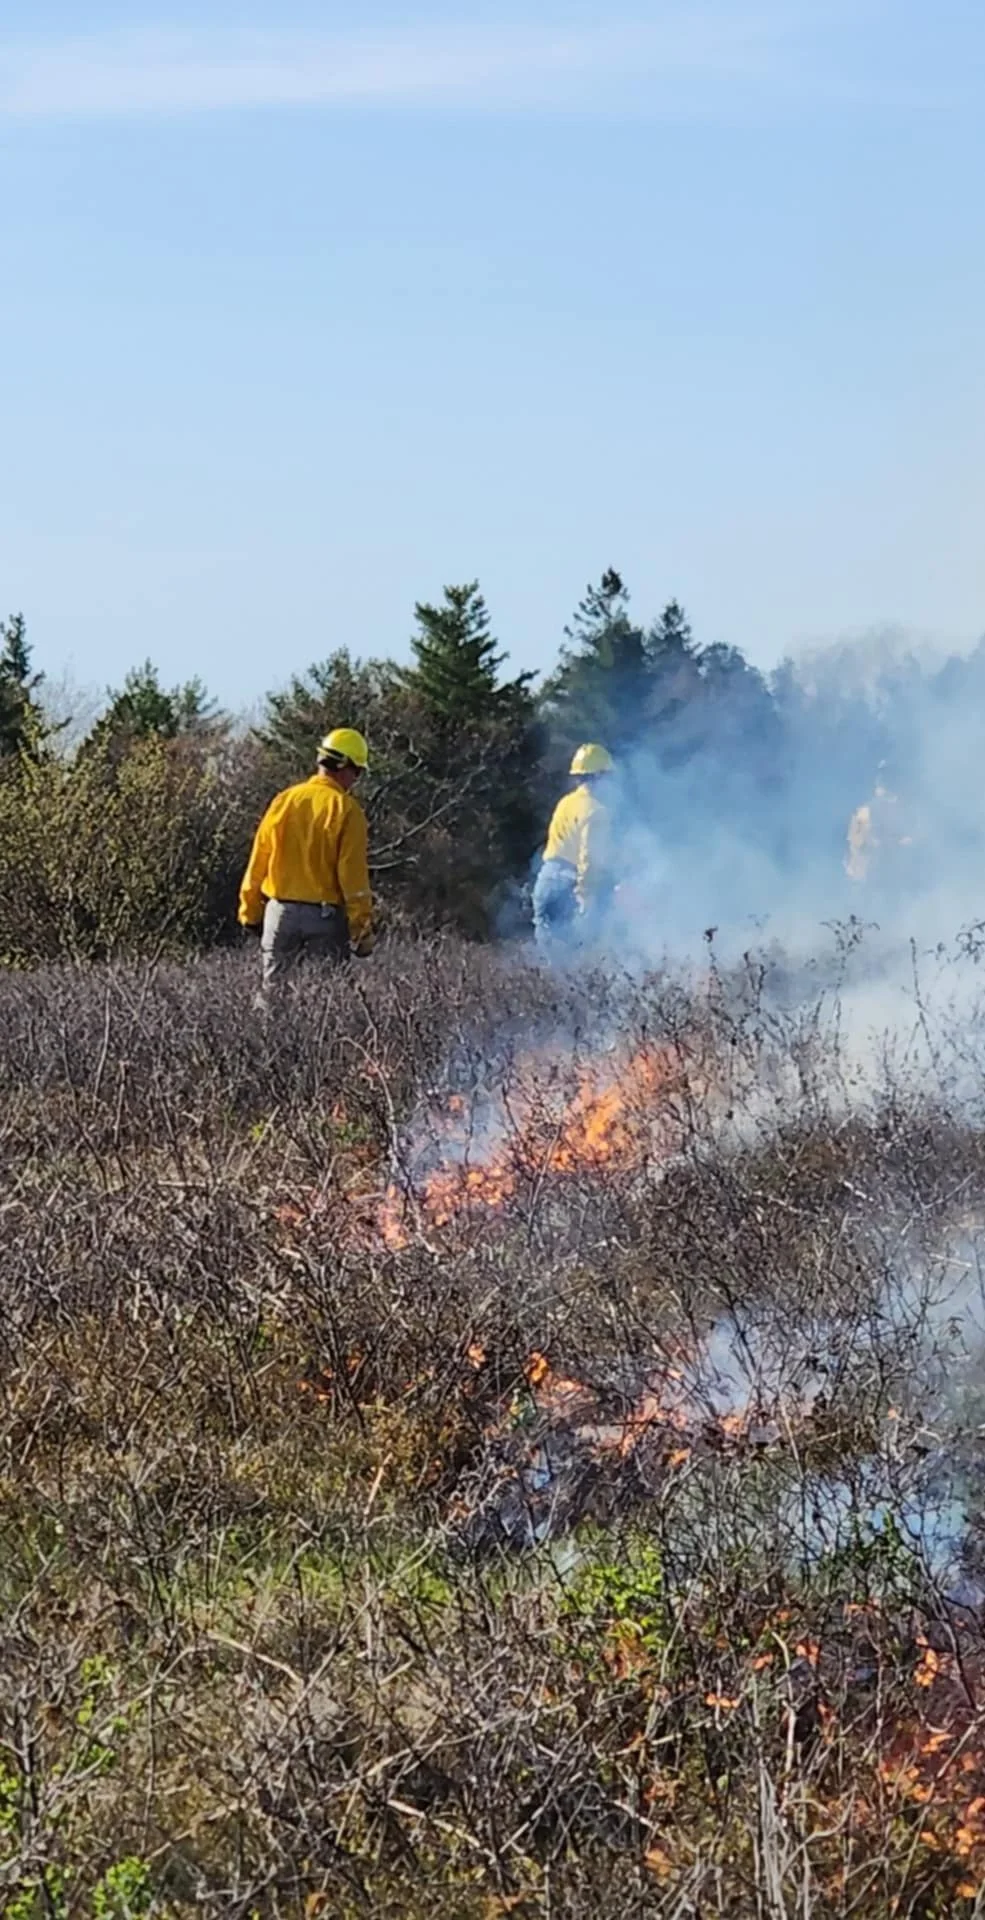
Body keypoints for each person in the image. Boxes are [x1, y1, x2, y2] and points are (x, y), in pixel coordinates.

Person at [239, 728, 374, 992]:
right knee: (325, 1005)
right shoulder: (346, 811)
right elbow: (353, 878)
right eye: (357, 771)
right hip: (325, 919)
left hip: (279, 914)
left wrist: (250, 912)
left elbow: (259, 859)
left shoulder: (284, 801)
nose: (355, 779)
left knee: (272, 999)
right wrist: (362, 930)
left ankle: (265, 1035)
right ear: (345, 767)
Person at [532, 743, 615, 958]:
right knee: (579, 963)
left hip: (546, 882)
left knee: (551, 961)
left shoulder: (565, 803)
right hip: (570, 887)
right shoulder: (597, 811)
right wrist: (586, 898)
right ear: (600, 776)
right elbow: (589, 860)